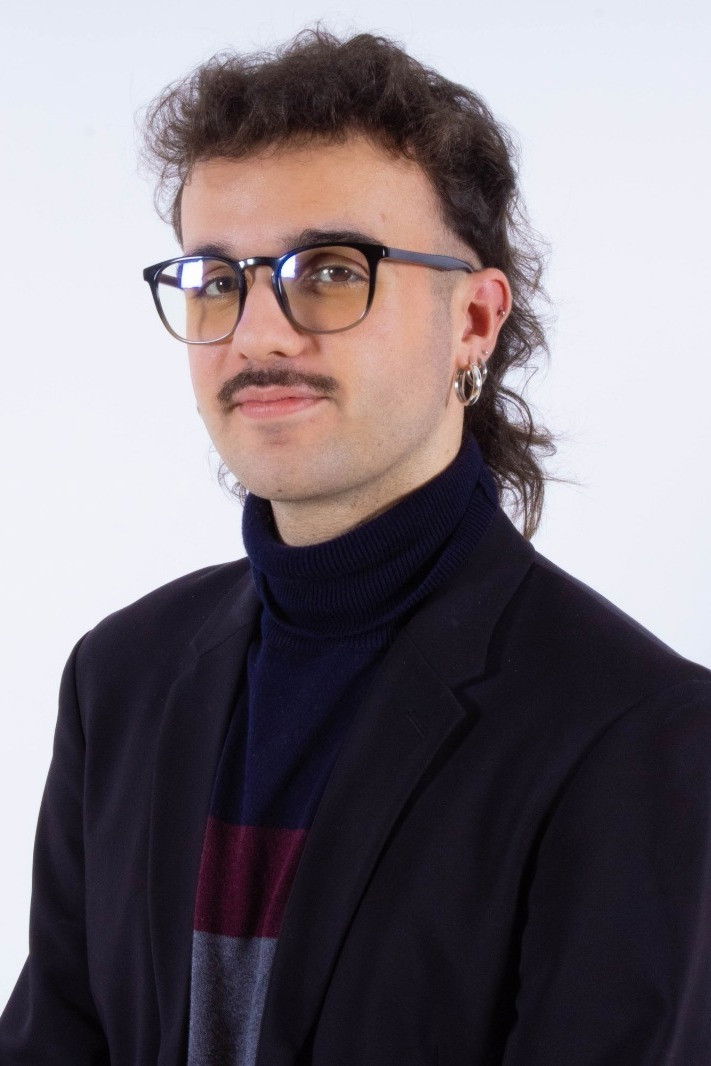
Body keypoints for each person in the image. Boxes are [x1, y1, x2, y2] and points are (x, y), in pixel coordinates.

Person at [1, 26, 710, 1066]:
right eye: (216, 279)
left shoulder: (639, 737)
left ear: (474, 320)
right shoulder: (120, 678)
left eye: (331, 270)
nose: (258, 333)